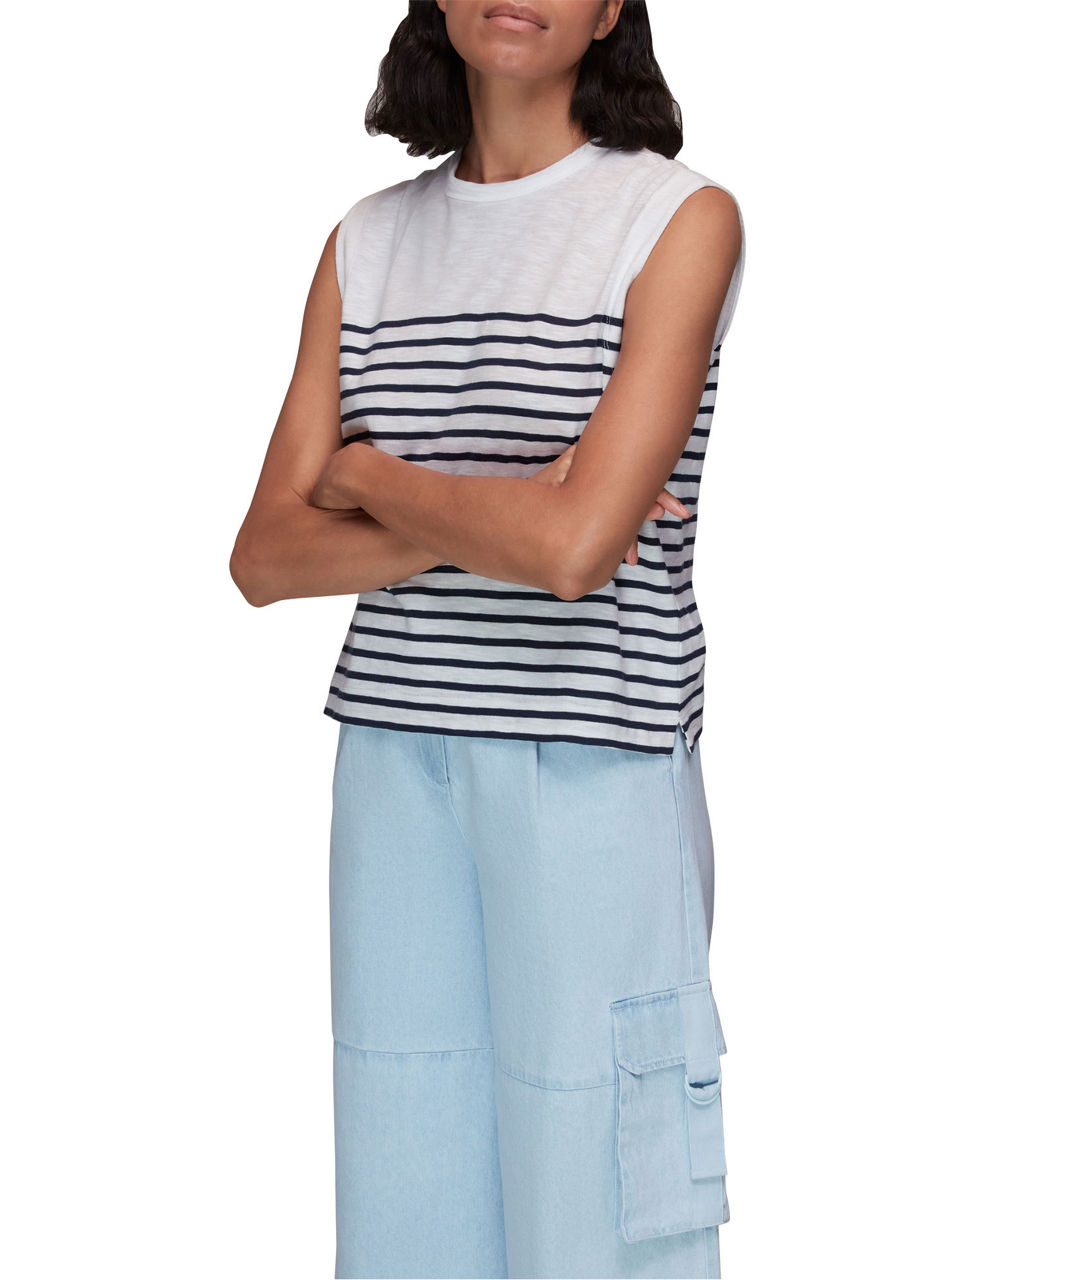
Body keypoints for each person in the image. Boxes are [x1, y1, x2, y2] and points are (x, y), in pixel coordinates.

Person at [229, 1, 745, 1275]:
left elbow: (573, 557)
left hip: (594, 759)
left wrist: (367, 474)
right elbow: (265, 556)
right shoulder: (367, 244)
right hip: (395, 760)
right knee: (406, 1179)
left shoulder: (674, 220)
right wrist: (516, 506)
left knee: (601, 1199)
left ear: (611, 8)